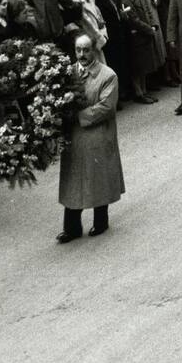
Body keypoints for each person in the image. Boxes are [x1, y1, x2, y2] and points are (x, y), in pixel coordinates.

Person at [56, 34, 124, 243]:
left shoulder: (107, 75)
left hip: (96, 134)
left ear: (94, 50)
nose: (82, 54)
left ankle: (101, 221)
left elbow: (106, 107)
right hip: (75, 136)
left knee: (98, 178)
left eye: (86, 50)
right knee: (73, 179)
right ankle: (72, 227)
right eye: (78, 50)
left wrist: (78, 116)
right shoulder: (67, 73)